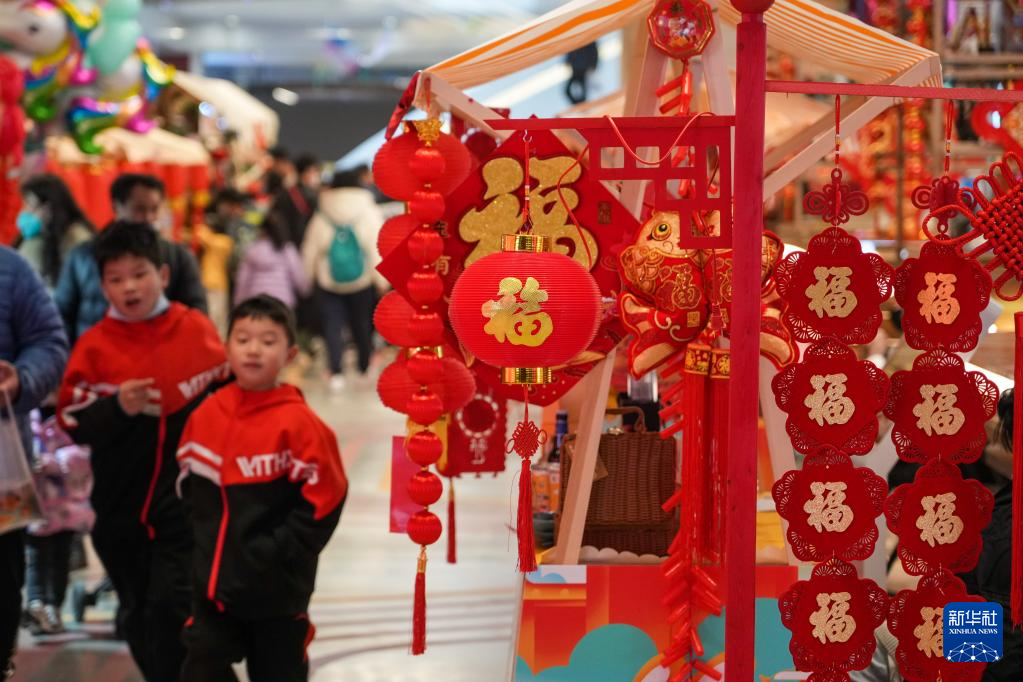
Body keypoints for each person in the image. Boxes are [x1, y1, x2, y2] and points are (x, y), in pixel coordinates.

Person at [57, 222, 228, 682]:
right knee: (136, 612)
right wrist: (117, 406)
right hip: (119, 509)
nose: (129, 287)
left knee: (172, 607)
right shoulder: (94, 346)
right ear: (102, 286)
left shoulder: (194, 328)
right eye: (116, 278)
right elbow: (72, 422)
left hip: (183, 507)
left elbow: (227, 394)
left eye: (139, 274)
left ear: (163, 275)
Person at [177, 295, 346, 681]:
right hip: (213, 593)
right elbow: (187, 494)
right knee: (199, 670)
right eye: (243, 339)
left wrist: (273, 552)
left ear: (290, 354)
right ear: (226, 348)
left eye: (268, 341)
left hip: (277, 596)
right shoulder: (205, 416)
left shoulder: (301, 425)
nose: (253, 350)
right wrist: (202, 553)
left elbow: (326, 501)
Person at [0, 246, 68, 677]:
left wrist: (20, 380)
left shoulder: (11, 269)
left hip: (3, 471)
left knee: (3, 587)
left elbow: (50, 343)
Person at [54, 174, 207, 343]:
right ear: (117, 207)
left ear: (163, 275)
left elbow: (196, 314)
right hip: (96, 352)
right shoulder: (83, 255)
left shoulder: (178, 256)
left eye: (154, 209)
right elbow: (62, 314)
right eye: (139, 209)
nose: (149, 218)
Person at [301, 169, 384, 392]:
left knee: (332, 325)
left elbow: (311, 247)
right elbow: (376, 245)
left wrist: (307, 277)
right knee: (361, 323)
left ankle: (336, 372)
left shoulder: (323, 211)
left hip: (328, 279)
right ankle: (364, 367)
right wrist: (381, 279)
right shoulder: (367, 209)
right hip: (362, 279)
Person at [16, 174, 94, 290]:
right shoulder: (38, 235)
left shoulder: (76, 237)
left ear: (49, 208)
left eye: (30, 205)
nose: (25, 211)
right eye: (24, 204)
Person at [233, 211, 310, 309]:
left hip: (256, 300)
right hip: (283, 300)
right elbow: (297, 274)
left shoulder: (253, 250)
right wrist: (305, 290)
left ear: (262, 230)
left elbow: (243, 279)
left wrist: (239, 301)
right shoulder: (287, 250)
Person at [195, 219, 234, 337]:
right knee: (217, 315)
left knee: (215, 316)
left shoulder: (223, 241)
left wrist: (198, 220)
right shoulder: (222, 242)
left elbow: (201, 234)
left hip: (215, 283)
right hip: (217, 283)